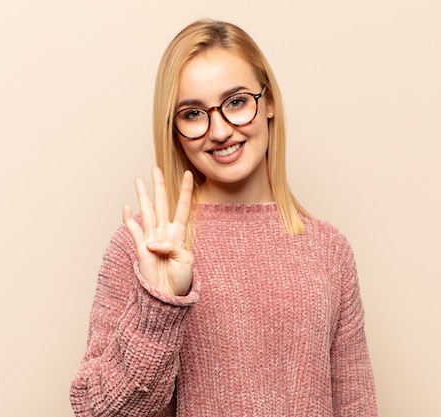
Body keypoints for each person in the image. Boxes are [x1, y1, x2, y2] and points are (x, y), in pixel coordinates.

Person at [70, 19, 377, 417]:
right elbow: (97, 411)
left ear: (268, 103)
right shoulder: (145, 245)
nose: (218, 131)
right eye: (193, 113)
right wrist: (160, 306)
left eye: (236, 102)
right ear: (174, 130)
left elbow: (356, 407)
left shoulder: (328, 249)